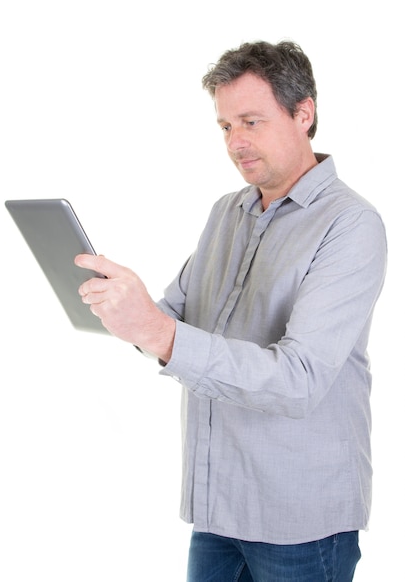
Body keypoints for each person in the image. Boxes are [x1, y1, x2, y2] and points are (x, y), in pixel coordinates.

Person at [75, 40, 387, 581]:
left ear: (303, 113)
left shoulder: (351, 225)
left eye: (250, 121)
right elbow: (174, 315)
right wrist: (125, 303)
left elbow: (299, 379)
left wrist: (158, 330)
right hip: (219, 507)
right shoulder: (228, 211)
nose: (235, 143)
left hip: (299, 522)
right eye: (224, 127)